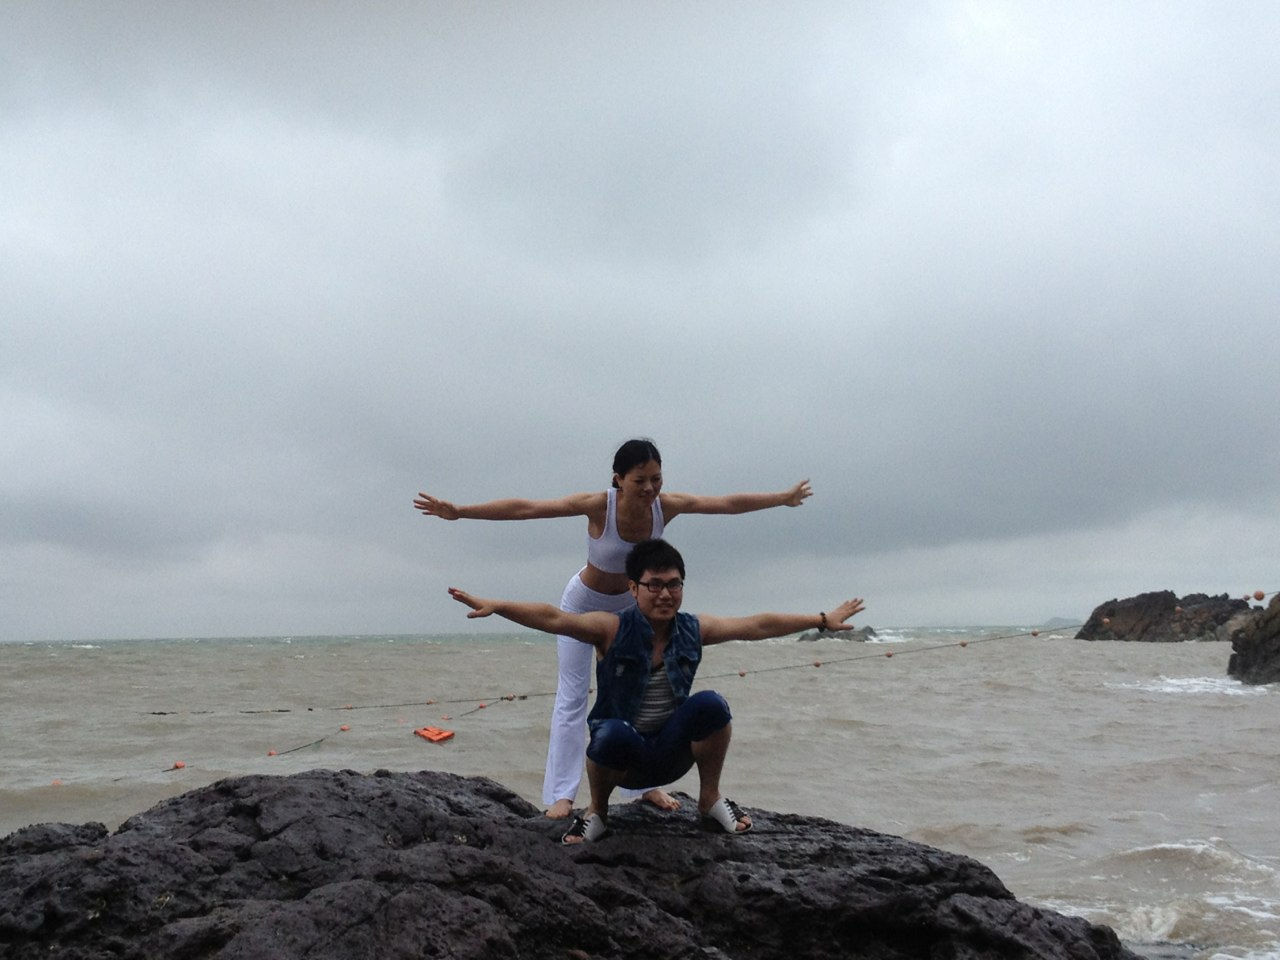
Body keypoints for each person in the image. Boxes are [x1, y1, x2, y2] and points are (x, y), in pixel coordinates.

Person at [414, 438, 812, 820]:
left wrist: (782, 498)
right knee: (572, 695)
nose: (650, 488)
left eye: (656, 479)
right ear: (618, 479)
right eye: (640, 480)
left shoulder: (666, 506)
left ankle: (642, 787)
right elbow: (527, 509)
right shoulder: (598, 506)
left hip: (631, 609)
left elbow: (726, 504)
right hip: (584, 602)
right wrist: (460, 511)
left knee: (637, 696)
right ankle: (562, 795)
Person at [448, 537, 866, 844]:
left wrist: (821, 620)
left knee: (712, 705)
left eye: (674, 584)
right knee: (610, 731)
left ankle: (709, 800)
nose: (665, 594)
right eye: (654, 584)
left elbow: (756, 625)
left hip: (670, 755)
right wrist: (498, 606)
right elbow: (554, 619)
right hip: (621, 760)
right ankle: (597, 813)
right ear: (633, 588)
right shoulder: (611, 628)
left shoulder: (694, 629)